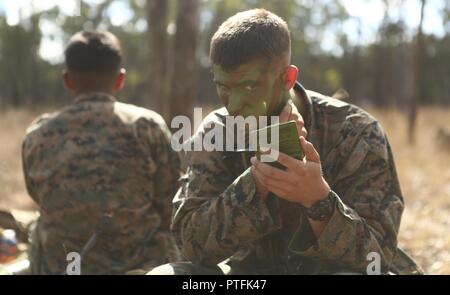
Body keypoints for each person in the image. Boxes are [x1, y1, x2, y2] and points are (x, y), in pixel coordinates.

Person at [150, 9, 423, 275]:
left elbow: (377, 259)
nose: (232, 105)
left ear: (288, 78)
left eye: (248, 86)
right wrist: (257, 183)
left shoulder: (357, 131)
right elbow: (190, 246)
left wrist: (318, 200)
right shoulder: (217, 131)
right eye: (223, 87)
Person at [22, 30, 181, 274]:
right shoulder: (147, 126)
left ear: (67, 80)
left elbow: (39, 197)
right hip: (143, 268)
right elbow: (170, 206)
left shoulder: (38, 135)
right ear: (120, 79)